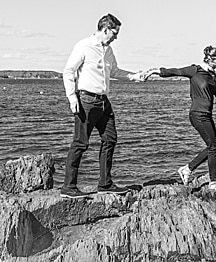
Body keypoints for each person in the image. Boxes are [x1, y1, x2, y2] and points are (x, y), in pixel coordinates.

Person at [61, 13, 151, 198]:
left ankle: (105, 184)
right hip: (85, 101)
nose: (116, 37)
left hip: (103, 102)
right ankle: (68, 188)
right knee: (80, 143)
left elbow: (115, 71)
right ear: (105, 29)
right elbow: (68, 71)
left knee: (110, 139)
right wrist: (72, 98)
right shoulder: (84, 46)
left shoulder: (108, 51)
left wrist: (135, 76)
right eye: (114, 33)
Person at [152, 46, 216, 196]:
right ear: (210, 59)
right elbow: (175, 71)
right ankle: (213, 182)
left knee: (213, 146)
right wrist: (154, 71)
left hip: (207, 114)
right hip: (197, 114)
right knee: (213, 147)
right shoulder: (195, 70)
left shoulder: (212, 75)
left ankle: (187, 169)